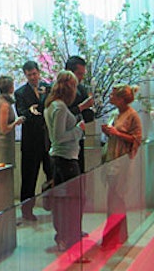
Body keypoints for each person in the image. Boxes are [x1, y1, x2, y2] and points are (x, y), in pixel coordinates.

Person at [44, 70, 86, 253]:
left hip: (61, 159)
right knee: (73, 203)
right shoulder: (59, 107)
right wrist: (78, 129)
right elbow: (58, 136)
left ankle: (64, 237)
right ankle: (70, 241)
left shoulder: (52, 105)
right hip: (66, 160)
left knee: (63, 203)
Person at [101, 84, 142, 249]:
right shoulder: (114, 113)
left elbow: (137, 138)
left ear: (121, 99)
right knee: (113, 199)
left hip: (121, 162)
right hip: (111, 160)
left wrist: (117, 134)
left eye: (113, 96)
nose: (110, 98)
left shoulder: (132, 115)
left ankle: (112, 237)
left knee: (116, 199)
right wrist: (107, 132)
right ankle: (119, 235)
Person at [15, 60, 52, 221]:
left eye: (34, 74)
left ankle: (55, 207)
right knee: (29, 178)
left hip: (48, 140)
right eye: (29, 75)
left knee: (53, 175)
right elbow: (22, 114)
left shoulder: (48, 88)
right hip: (30, 142)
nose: (32, 77)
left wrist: (37, 110)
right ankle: (27, 211)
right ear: (25, 75)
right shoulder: (20, 93)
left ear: (39, 72)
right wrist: (34, 112)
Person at [65, 56, 94, 173]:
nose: (81, 78)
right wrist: (81, 107)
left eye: (83, 74)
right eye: (79, 74)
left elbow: (88, 114)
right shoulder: (59, 91)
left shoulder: (81, 88)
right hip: (64, 141)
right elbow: (62, 115)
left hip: (79, 137)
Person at [0, 75, 25, 165]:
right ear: (11, 88)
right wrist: (16, 122)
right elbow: (4, 129)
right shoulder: (5, 105)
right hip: (5, 142)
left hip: (0, 139)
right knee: (6, 168)